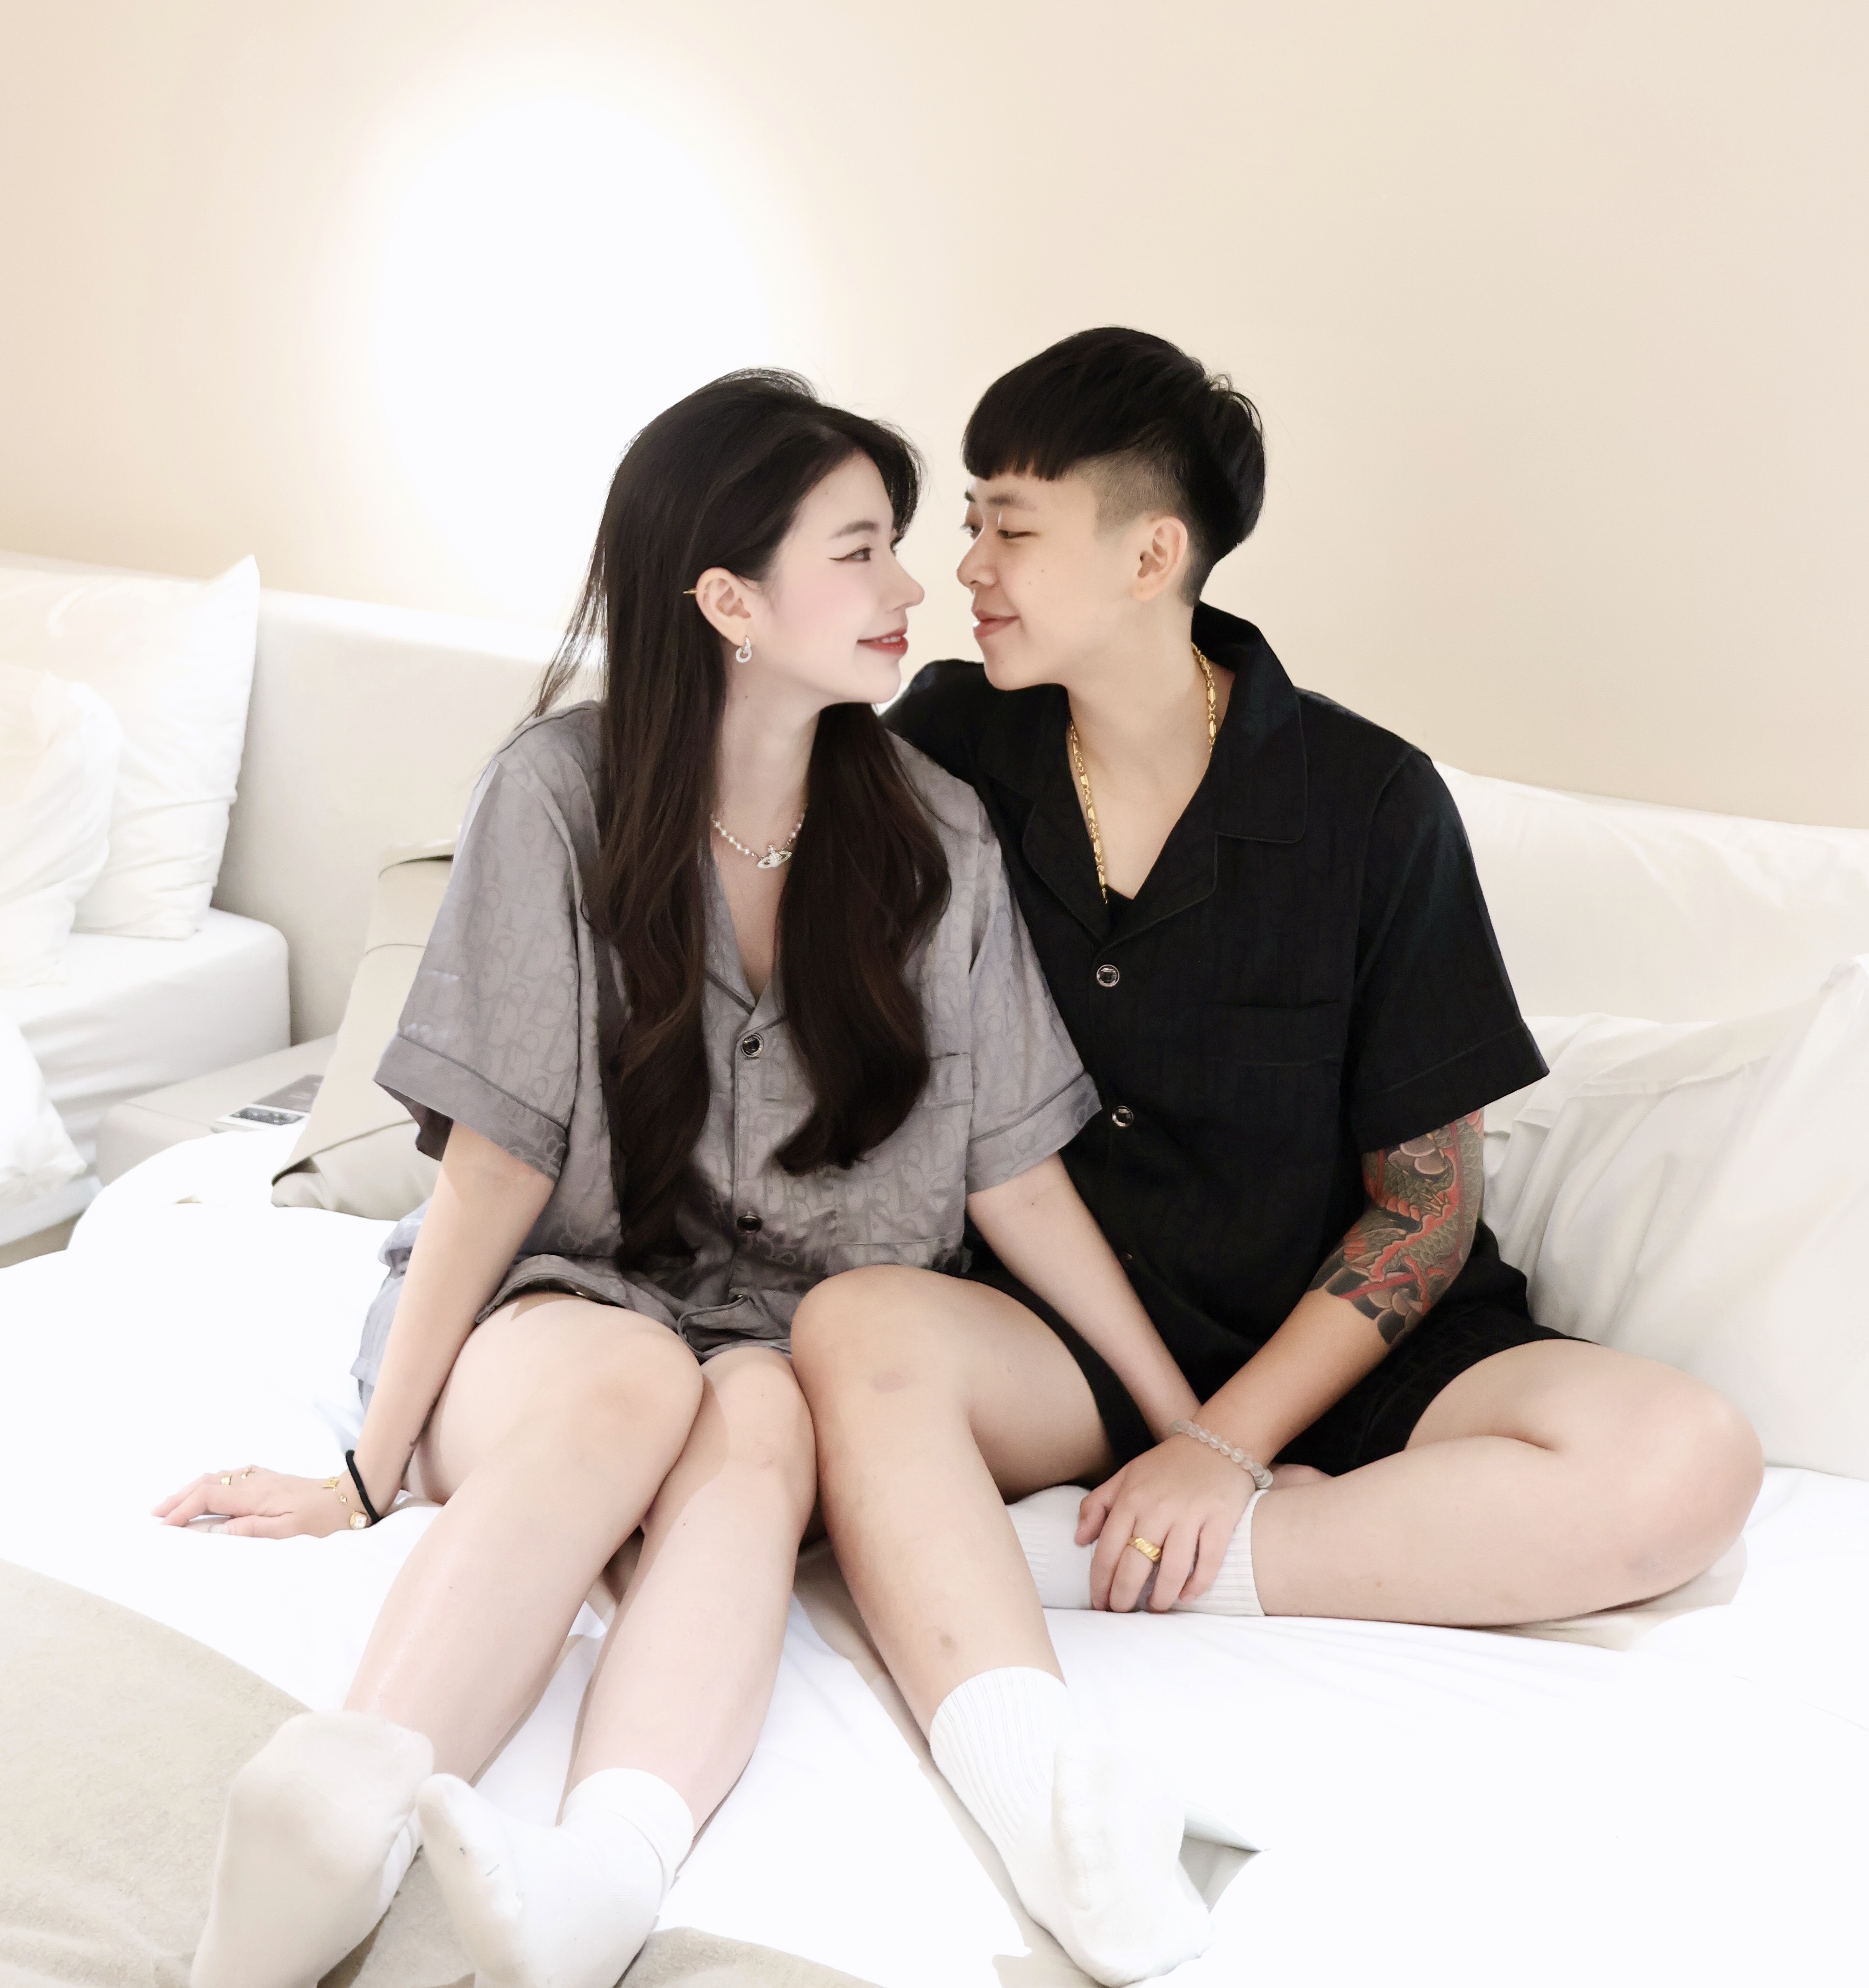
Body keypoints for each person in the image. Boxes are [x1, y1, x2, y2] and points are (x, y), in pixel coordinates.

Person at [157, 372, 1206, 1988]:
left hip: (794, 1334)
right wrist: (365, 1474)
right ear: (729, 601)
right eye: (860, 552)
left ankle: (603, 1870)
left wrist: (1191, 1424)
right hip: (563, 1306)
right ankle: (340, 1797)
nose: (912, 585)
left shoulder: (936, 837)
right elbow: (496, 1171)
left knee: (763, 1415)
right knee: (630, 1385)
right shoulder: (554, 797)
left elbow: (1014, 1174)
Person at [791, 328, 1763, 1956]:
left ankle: (1078, 1563)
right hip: (1065, 1335)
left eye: (1010, 527)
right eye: (969, 522)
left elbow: (1426, 1208)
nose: (967, 568)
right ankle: (1035, 1783)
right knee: (854, 1333)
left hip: (1339, 1345)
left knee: (1690, 1462)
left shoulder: (1371, 805)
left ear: (1150, 554)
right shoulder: (949, 743)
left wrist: (1224, 1454)